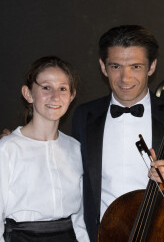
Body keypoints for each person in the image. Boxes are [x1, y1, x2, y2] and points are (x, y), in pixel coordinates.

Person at [72, 25, 164, 241]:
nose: (125, 78)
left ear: (151, 66)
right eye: (116, 66)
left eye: (135, 66)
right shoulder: (84, 116)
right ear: (103, 67)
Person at [0, 56, 90, 242]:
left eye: (63, 89)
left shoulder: (75, 148)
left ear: (72, 96)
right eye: (46, 87)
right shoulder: (8, 149)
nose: (55, 97)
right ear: (28, 93)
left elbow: (80, 217)